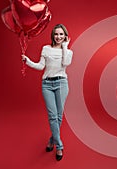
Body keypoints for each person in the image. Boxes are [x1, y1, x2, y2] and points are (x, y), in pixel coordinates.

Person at [22, 24, 73, 161]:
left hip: (61, 83)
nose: (58, 37)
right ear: (53, 35)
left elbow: (66, 63)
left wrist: (65, 47)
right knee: (52, 116)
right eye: (56, 34)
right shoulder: (46, 48)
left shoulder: (68, 51)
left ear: (65, 36)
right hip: (47, 84)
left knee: (58, 116)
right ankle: (60, 146)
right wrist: (28, 61)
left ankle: (52, 141)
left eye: (61, 34)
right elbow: (41, 66)